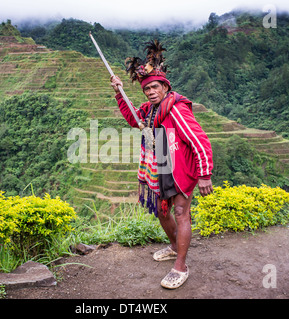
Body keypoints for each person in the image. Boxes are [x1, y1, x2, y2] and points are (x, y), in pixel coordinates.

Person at [109, 40, 214, 289]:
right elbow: (135, 120)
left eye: (155, 87)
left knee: (180, 213)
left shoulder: (177, 110)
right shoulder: (150, 110)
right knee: (161, 211)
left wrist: (204, 174)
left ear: (165, 86)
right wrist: (118, 92)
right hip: (161, 167)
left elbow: (198, 139)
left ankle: (181, 266)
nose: (151, 92)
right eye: (147, 89)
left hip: (181, 170)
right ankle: (175, 245)